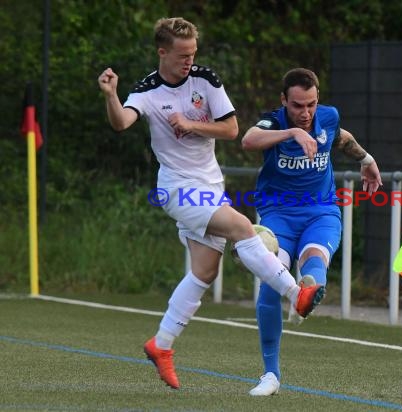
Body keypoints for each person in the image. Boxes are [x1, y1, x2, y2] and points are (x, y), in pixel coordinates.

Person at [97, 17, 326, 390]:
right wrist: (110, 95)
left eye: (193, 54)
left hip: (210, 186)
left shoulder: (207, 80)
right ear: (162, 52)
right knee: (241, 227)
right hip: (178, 187)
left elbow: (232, 130)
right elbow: (122, 122)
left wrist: (192, 124)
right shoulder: (147, 92)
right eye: (182, 55)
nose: (189, 61)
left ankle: (162, 344)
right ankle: (295, 294)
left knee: (204, 272)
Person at [241, 68, 382, 395]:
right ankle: (270, 375)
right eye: (297, 106)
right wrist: (291, 133)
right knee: (271, 281)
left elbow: (341, 138)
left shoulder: (328, 117)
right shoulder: (274, 122)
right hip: (278, 214)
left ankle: (304, 295)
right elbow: (248, 140)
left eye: (311, 105)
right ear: (284, 101)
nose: (305, 113)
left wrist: (367, 159)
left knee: (315, 259)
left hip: (321, 211)